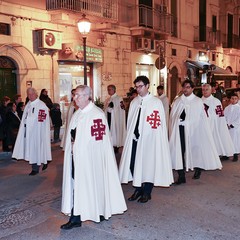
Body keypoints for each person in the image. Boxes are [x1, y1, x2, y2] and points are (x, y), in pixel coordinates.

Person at [61, 85, 127, 230]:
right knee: (75, 185)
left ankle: (96, 212)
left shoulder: (96, 114)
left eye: (77, 95)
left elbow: (99, 142)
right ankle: (76, 216)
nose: (75, 98)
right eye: (75, 95)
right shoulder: (78, 113)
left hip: (90, 160)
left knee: (93, 185)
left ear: (87, 96)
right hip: (75, 157)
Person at [119, 76, 173, 203]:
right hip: (135, 139)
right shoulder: (134, 102)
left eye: (140, 86)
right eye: (136, 87)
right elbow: (131, 121)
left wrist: (149, 136)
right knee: (133, 163)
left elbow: (158, 124)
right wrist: (132, 134)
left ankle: (147, 192)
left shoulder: (155, 102)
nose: (138, 89)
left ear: (147, 86)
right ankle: (138, 188)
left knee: (148, 165)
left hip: (149, 140)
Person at [169, 80, 222, 184]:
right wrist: (178, 121)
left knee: (195, 150)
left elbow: (200, 117)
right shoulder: (178, 101)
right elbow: (173, 115)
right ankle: (181, 175)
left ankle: (198, 169)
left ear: (192, 88)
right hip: (180, 130)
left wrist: (188, 122)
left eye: (188, 87)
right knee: (179, 151)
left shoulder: (198, 101)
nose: (185, 89)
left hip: (194, 131)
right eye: (184, 87)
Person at [12, 88, 52, 175]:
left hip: (37, 132)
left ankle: (35, 168)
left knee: (36, 149)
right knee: (32, 149)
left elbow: (42, 120)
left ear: (36, 94)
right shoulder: (28, 104)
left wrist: (30, 121)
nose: (30, 96)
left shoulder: (41, 105)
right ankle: (44, 161)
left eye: (31, 94)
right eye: (28, 94)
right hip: (29, 131)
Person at [201, 84, 235, 160]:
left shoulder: (216, 101)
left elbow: (220, 115)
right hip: (202, 125)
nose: (205, 91)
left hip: (213, 125)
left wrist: (219, 124)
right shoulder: (199, 101)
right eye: (203, 90)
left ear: (211, 90)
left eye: (207, 89)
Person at [104, 84, 126, 153]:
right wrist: (107, 109)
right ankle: (111, 144)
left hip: (115, 118)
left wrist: (112, 110)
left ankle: (116, 146)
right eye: (108, 89)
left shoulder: (119, 98)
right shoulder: (108, 99)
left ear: (114, 90)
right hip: (109, 117)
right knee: (110, 131)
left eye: (110, 89)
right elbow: (105, 108)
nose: (108, 91)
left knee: (115, 131)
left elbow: (121, 108)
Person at [224, 93, 240, 162]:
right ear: (230, 99)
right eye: (232, 99)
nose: (233, 100)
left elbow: (239, 118)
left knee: (234, 141)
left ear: (238, 99)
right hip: (227, 127)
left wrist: (232, 125)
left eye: (235, 99)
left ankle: (235, 155)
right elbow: (224, 117)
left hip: (235, 128)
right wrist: (226, 124)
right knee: (227, 141)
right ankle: (226, 155)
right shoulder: (227, 108)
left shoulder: (239, 108)